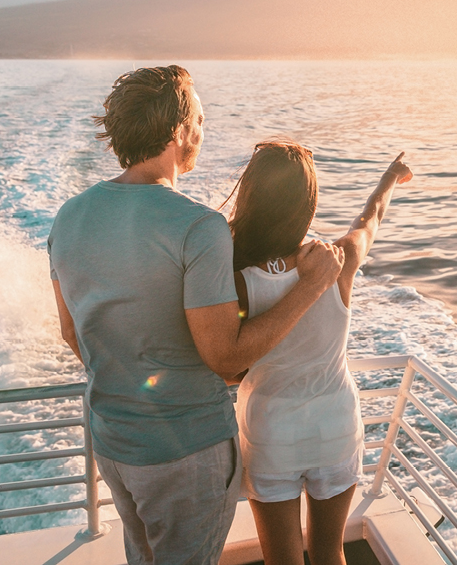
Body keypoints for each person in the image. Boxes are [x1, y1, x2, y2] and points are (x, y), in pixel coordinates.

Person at [48, 66, 344, 565]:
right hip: (185, 453)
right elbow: (227, 360)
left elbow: (71, 330)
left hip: (114, 443)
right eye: (201, 120)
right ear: (180, 131)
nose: (203, 133)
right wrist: (312, 285)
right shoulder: (198, 227)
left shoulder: (69, 216)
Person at [226, 141, 413, 565]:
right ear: (307, 205)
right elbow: (371, 218)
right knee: (330, 553)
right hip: (335, 426)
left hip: (272, 433)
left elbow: (230, 362)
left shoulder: (238, 277)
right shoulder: (337, 259)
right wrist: (388, 180)